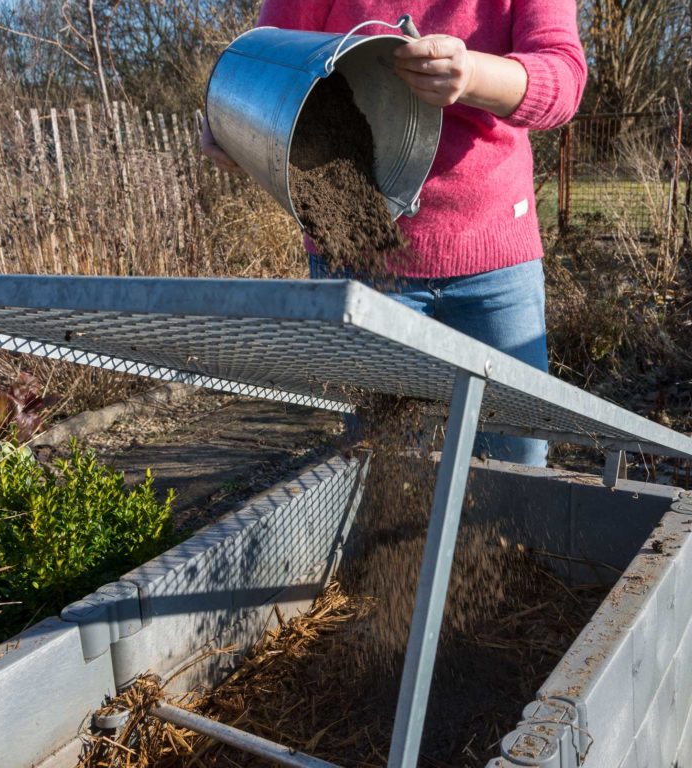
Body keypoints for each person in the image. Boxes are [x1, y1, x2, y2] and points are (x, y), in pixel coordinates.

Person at [201, 0, 587, 467]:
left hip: (494, 259)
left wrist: (470, 75)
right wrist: (229, 119)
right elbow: (265, 61)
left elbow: (562, 78)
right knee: (385, 466)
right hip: (357, 247)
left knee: (515, 459)